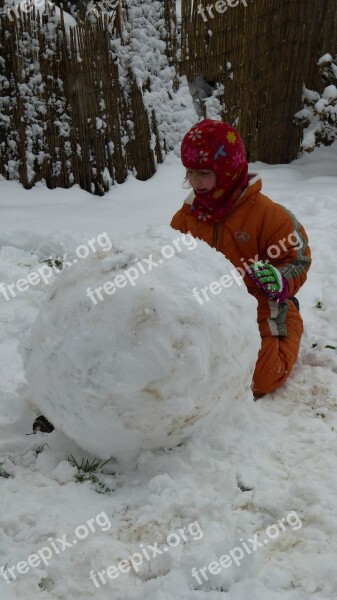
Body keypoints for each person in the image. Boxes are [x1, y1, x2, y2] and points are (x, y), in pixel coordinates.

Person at [170, 119, 311, 398]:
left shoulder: (268, 214)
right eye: (189, 172)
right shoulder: (186, 218)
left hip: (256, 305)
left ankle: (290, 319)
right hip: (205, 309)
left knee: (260, 380)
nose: (195, 181)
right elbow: (169, 262)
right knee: (182, 371)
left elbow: (298, 258)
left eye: (203, 173)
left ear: (227, 172)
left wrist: (280, 280)